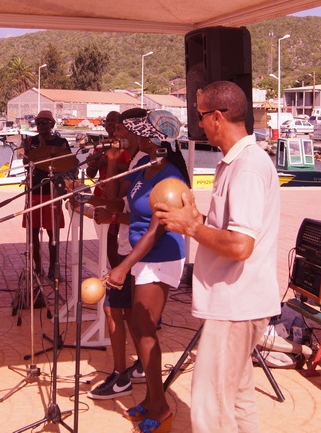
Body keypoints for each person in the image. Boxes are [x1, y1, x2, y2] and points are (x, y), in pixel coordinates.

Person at [154, 81, 281, 432]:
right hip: (237, 304)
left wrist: (192, 228)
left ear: (217, 117)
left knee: (210, 406)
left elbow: (240, 246)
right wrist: (196, 219)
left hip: (236, 305)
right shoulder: (236, 163)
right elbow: (231, 231)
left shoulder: (247, 167)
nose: (198, 124)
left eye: (200, 116)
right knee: (237, 398)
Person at [104, 110, 189, 433]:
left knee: (144, 328)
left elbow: (156, 230)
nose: (133, 137)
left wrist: (123, 266)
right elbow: (120, 203)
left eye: (138, 133)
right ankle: (152, 399)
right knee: (141, 330)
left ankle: (161, 407)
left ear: (152, 139)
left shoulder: (169, 177)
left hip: (161, 256)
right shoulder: (145, 168)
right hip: (142, 256)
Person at [88, 107, 148, 400]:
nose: (116, 133)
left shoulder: (148, 164)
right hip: (129, 245)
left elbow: (149, 219)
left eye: (122, 129)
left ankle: (122, 375)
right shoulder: (134, 161)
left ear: (137, 131)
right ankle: (136, 368)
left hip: (140, 251)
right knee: (124, 311)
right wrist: (111, 161)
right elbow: (114, 198)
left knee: (118, 310)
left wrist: (113, 217)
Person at [22, 109, 72, 279]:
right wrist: (28, 152)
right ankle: (37, 268)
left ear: (52, 124)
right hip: (34, 190)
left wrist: (44, 149)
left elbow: (67, 163)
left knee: (53, 233)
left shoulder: (61, 142)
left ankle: (53, 268)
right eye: (38, 123)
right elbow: (26, 164)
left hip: (52, 190)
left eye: (44, 123)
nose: (41, 126)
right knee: (33, 232)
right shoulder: (31, 141)